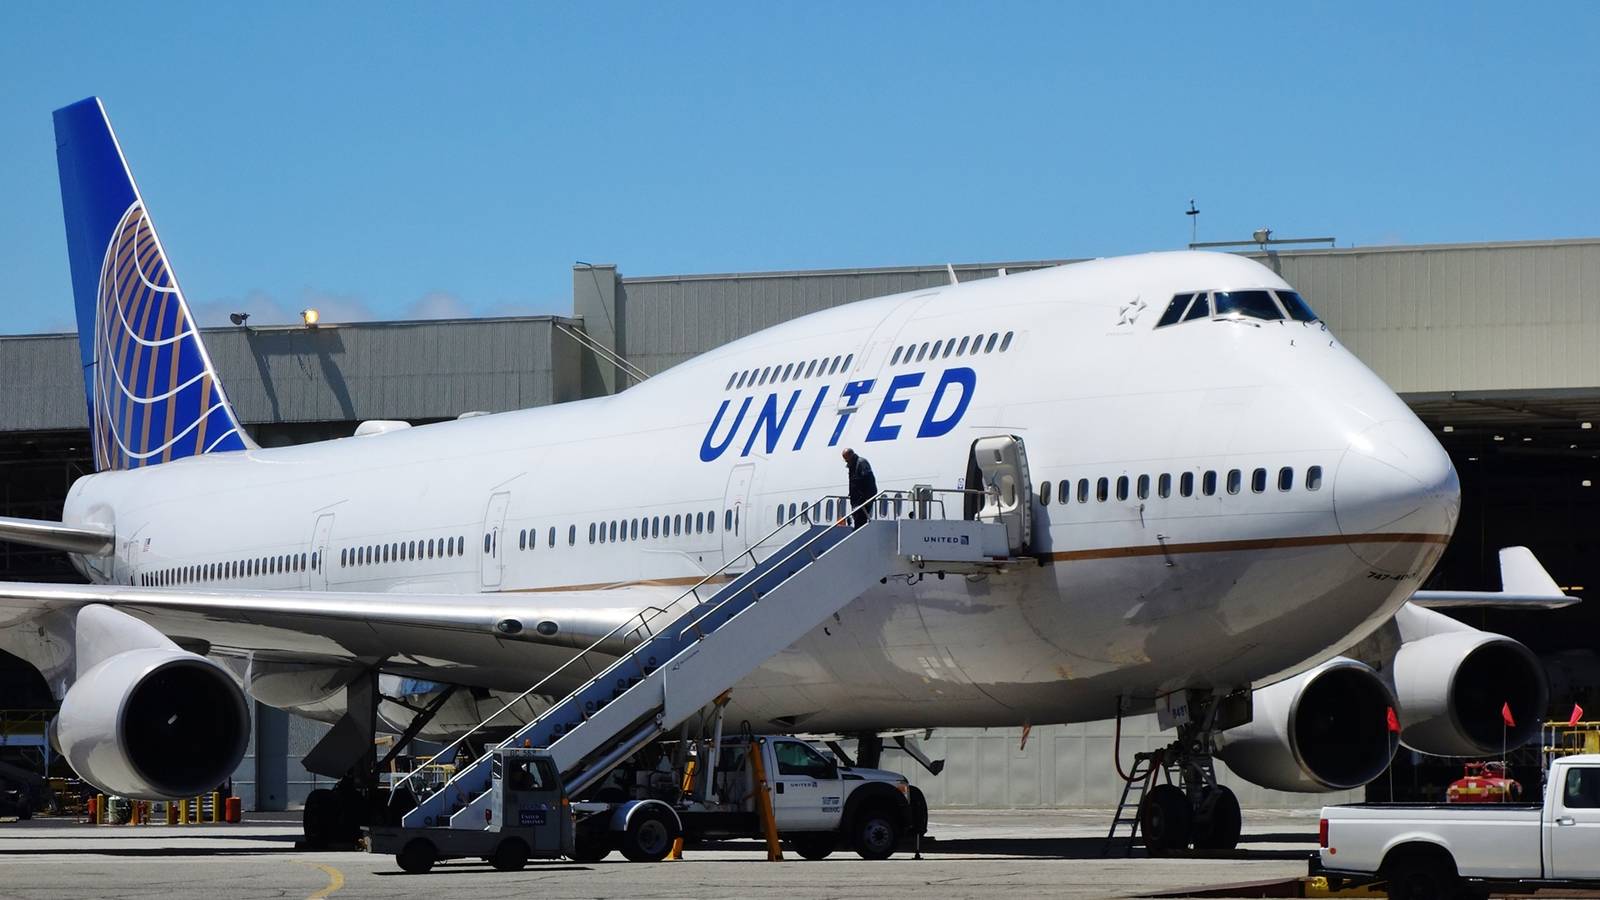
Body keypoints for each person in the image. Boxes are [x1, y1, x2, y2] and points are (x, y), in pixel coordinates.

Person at [842, 448, 877, 528]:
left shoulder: (861, 463)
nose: (845, 461)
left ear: (851, 455)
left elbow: (869, 481)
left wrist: (868, 499)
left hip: (863, 500)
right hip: (856, 500)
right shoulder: (852, 464)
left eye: (846, 458)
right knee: (857, 520)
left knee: (860, 521)